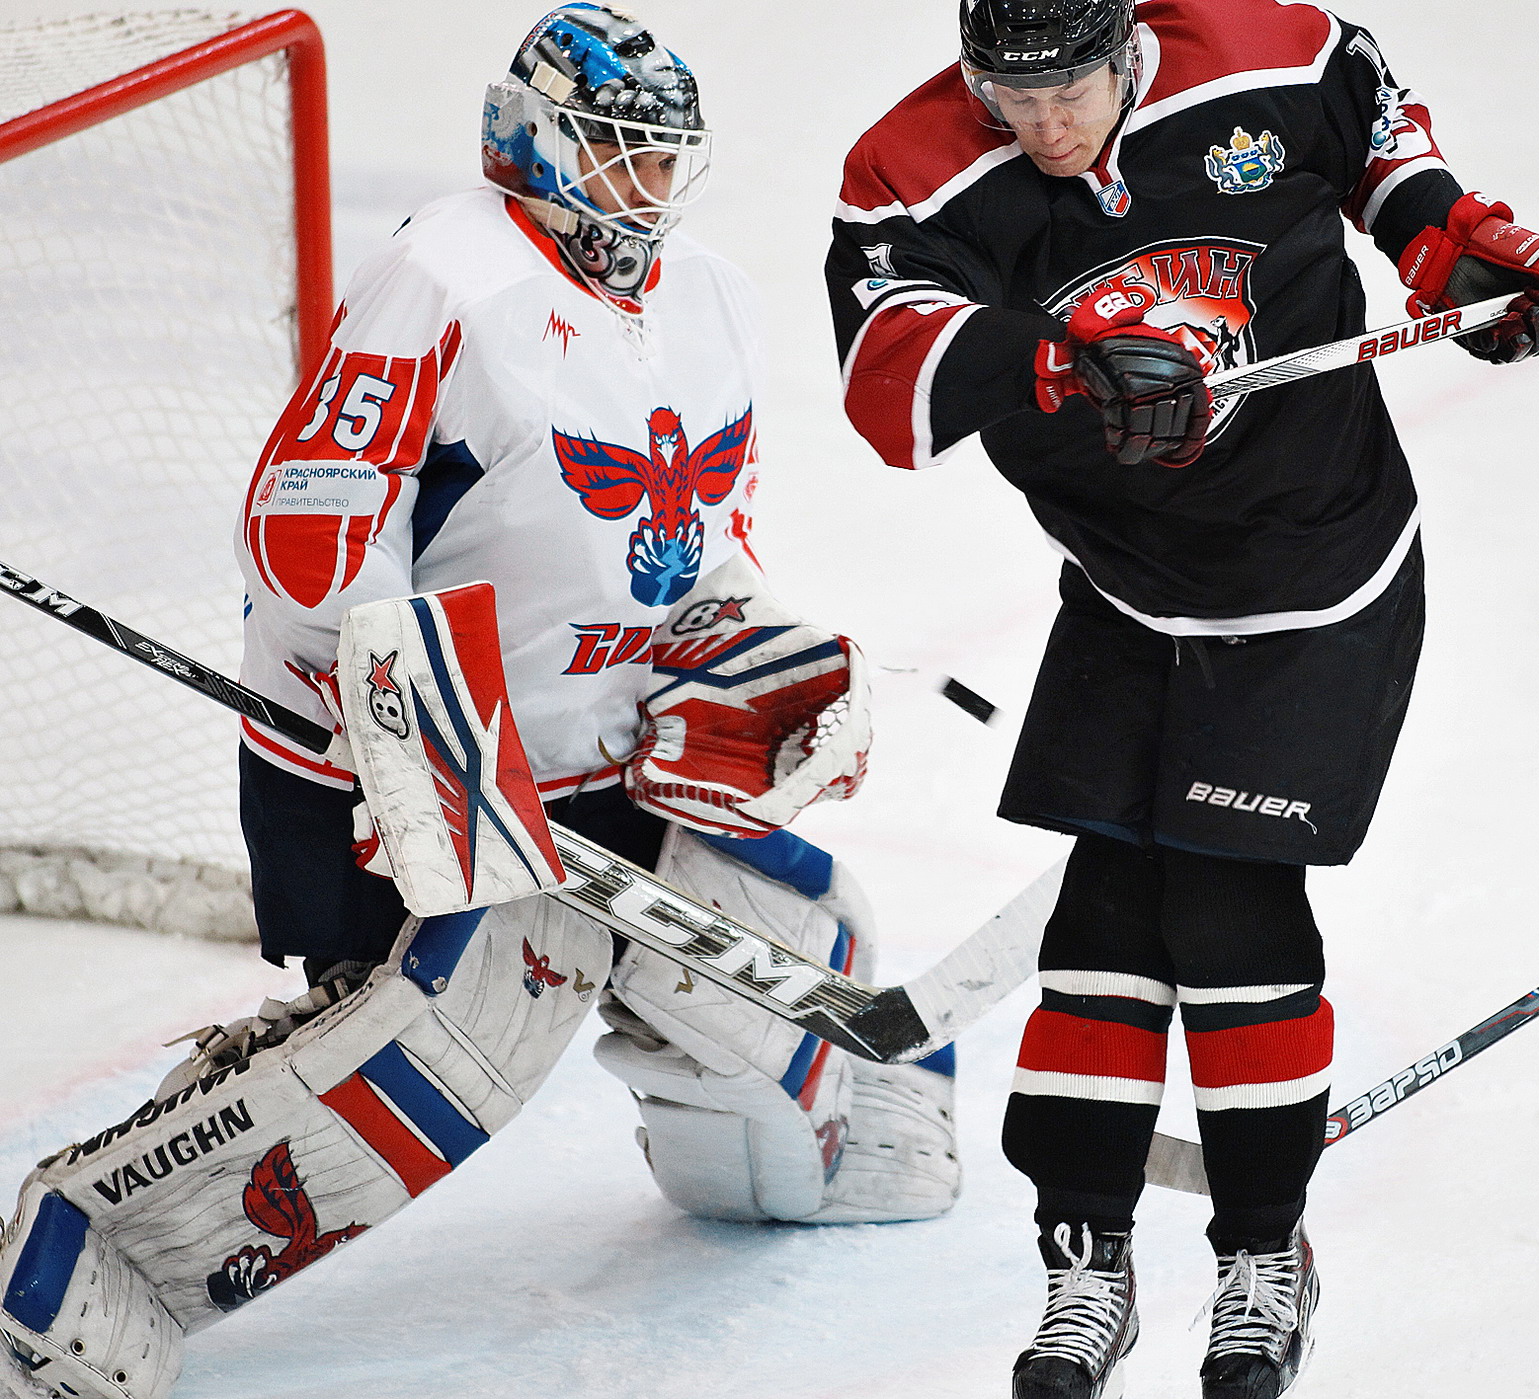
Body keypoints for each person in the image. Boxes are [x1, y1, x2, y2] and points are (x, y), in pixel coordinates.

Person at [0, 10, 955, 1399]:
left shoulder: (711, 296)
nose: (648, 192)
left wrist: (750, 651)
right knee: (447, 1042)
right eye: (621, 158)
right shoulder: (446, 276)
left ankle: (806, 1138)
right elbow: (312, 530)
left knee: (782, 938)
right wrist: (405, 736)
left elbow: (708, 525)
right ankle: (87, 1259)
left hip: (611, 749)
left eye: (663, 162)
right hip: (423, 764)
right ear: (538, 139)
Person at [826, 1, 1539, 1395]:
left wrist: (1448, 240)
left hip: (1316, 575)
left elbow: (1377, 135)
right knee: (1106, 928)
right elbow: (886, 381)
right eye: (1012, 94)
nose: (1044, 126)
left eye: (1070, 89)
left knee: (1225, 910)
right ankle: (1087, 1270)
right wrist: (1050, 361)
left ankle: (1260, 1257)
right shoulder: (915, 166)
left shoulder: (1267, 48)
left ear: (1129, 45)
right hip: (1127, 588)